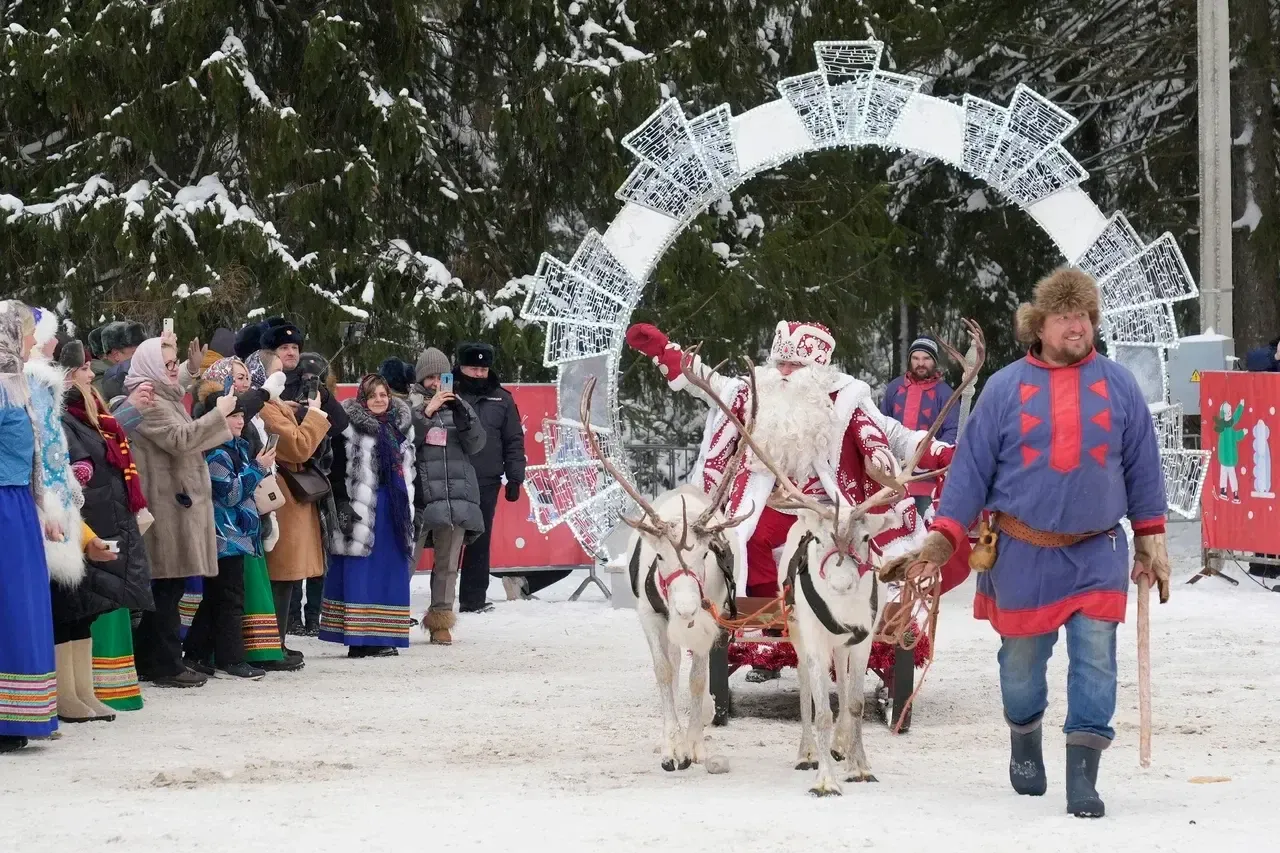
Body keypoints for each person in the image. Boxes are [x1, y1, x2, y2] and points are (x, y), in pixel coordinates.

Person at [890, 268, 1169, 818]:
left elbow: (1142, 467)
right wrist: (942, 539)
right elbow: (969, 471)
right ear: (1038, 326)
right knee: (1020, 663)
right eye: (1066, 317)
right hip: (1021, 551)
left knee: (1096, 658)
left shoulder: (1118, 385)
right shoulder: (1005, 387)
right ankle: (1024, 738)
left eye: (1085, 316)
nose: (1078, 326)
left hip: (1097, 551)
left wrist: (1151, 540)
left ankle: (1083, 771)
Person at [625, 319, 964, 680]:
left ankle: (838, 624)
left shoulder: (846, 397)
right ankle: (771, 628)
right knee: (748, 540)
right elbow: (710, 384)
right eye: (780, 363)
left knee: (841, 546)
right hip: (770, 503)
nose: (784, 372)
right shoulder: (756, 391)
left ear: (816, 369)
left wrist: (943, 454)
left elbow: (891, 434)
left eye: (794, 365)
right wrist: (664, 351)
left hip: (827, 506)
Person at [25, 315, 122, 724]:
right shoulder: (26, 385)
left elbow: (54, 460)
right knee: (62, 604)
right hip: (39, 511)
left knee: (78, 604)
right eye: (47, 339)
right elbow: (35, 462)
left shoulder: (45, 392)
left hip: (63, 511)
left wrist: (81, 530)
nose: (53, 346)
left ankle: (80, 688)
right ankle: (62, 692)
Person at [125, 337, 236, 688]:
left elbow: (176, 394)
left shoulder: (160, 392)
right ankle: (165, 664)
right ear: (152, 367)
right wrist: (219, 414)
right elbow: (179, 439)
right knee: (165, 590)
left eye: (175, 363)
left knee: (169, 588)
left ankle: (153, 659)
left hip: (175, 502)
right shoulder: (148, 400)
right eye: (168, 364)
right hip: (165, 506)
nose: (173, 369)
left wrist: (189, 370)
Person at [60, 340, 154, 713]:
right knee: (75, 603)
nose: (90, 374)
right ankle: (67, 693)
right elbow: (77, 464)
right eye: (84, 369)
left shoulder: (91, 415)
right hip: (88, 519)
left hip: (106, 516)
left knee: (88, 607)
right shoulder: (68, 417)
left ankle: (82, 690)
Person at [320, 374, 417, 657]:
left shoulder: (401, 429)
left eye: (383, 395)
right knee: (360, 573)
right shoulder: (347, 428)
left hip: (394, 511)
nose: (379, 400)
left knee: (390, 574)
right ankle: (360, 640)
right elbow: (333, 468)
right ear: (363, 398)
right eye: (373, 395)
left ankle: (384, 636)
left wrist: (416, 507)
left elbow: (412, 471)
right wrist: (340, 505)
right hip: (359, 508)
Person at [0, 301, 59, 753]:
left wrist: (42, 507)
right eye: (22, 332)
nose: (29, 340)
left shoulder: (17, 382)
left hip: (16, 505)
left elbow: (36, 453)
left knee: (21, 607)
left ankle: (18, 715)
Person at [185, 389, 272, 680]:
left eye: (241, 414)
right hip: (224, 535)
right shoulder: (218, 452)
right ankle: (231, 659)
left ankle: (197, 653)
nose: (240, 420)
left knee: (217, 597)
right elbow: (231, 494)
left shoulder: (239, 446)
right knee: (230, 597)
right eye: (233, 415)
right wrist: (259, 469)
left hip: (236, 534)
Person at [254, 348, 330, 660]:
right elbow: (298, 447)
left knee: (286, 575)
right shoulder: (266, 408)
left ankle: (278, 642)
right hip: (281, 493)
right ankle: (272, 644)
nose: (281, 379)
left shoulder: (273, 404)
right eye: (274, 373)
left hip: (287, 492)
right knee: (281, 573)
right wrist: (315, 414)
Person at [413, 359, 487, 644]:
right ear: (421, 379)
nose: (435, 383)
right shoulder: (407, 405)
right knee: (406, 560)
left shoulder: (461, 405)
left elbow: (477, 445)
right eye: (430, 377)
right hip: (420, 496)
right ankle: (391, 618)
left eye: (440, 376)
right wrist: (427, 412)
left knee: (447, 564)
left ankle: (441, 619)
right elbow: (403, 440)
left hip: (456, 495)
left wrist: (463, 414)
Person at [452, 342, 526, 613]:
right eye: (473, 368)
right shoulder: (448, 393)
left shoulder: (502, 399)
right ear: (461, 367)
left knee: (479, 542)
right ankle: (442, 601)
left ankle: (473, 600)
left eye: (483, 369)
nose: (479, 374)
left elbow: (514, 440)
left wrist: (515, 478)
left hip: (487, 480)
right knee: (446, 541)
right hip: (451, 477)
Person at [881, 334, 960, 516]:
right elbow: (881, 423)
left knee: (923, 529)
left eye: (926, 358)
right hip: (893, 477)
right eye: (915, 358)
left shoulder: (945, 393)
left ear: (934, 361)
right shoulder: (894, 388)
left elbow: (952, 430)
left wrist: (933, 455)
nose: (920, 363)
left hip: (926, 480)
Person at [90, 320, 145, 397]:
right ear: (116, 355)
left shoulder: (122, 375)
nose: (142, 357)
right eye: (134, 353)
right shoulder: (101, 383)